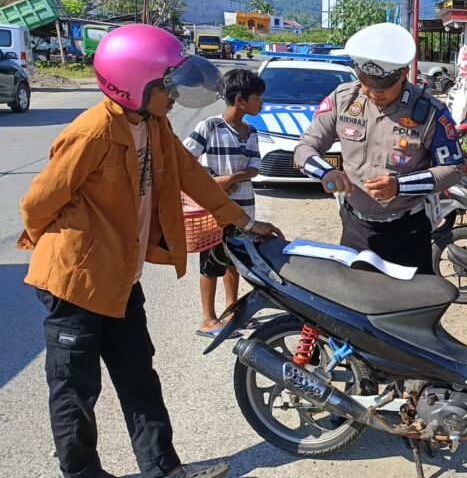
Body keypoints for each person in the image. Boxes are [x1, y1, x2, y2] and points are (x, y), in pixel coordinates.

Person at [17, 24, 282, 478]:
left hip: (122, 278)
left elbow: (193, 177)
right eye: (167, 87)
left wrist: (243, 221)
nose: (174, 96)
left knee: (139, 377)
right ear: (132, 85)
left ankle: (163, 469)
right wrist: (57, 253)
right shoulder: (92, 133)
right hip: (76, 283)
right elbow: (37, 204)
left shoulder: (154, 125)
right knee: (76, 390)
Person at [293, 23, 463, 274]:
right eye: (366, 84)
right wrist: (326, 172)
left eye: (383, 87)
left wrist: (400, 186)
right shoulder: (343, 99)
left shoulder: (430, 112)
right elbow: (304, 148)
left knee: (410, 297)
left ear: (403, 73)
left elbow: (454, 169)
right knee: (352, 295)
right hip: (355, 226)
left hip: (408, 230)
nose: (374, 93)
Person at [183, 69, 265, 337]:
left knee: (234, 260)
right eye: (257, 98)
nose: (261, 103)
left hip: (242, 209)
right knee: (211, 262)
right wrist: (213, 182)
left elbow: (255, 167)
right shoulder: (210, 127)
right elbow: (184, 160)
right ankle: (207, 319)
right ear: (240, 99)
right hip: (214, 211)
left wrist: (232, 177)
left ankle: (232, 310)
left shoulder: (251, 131)